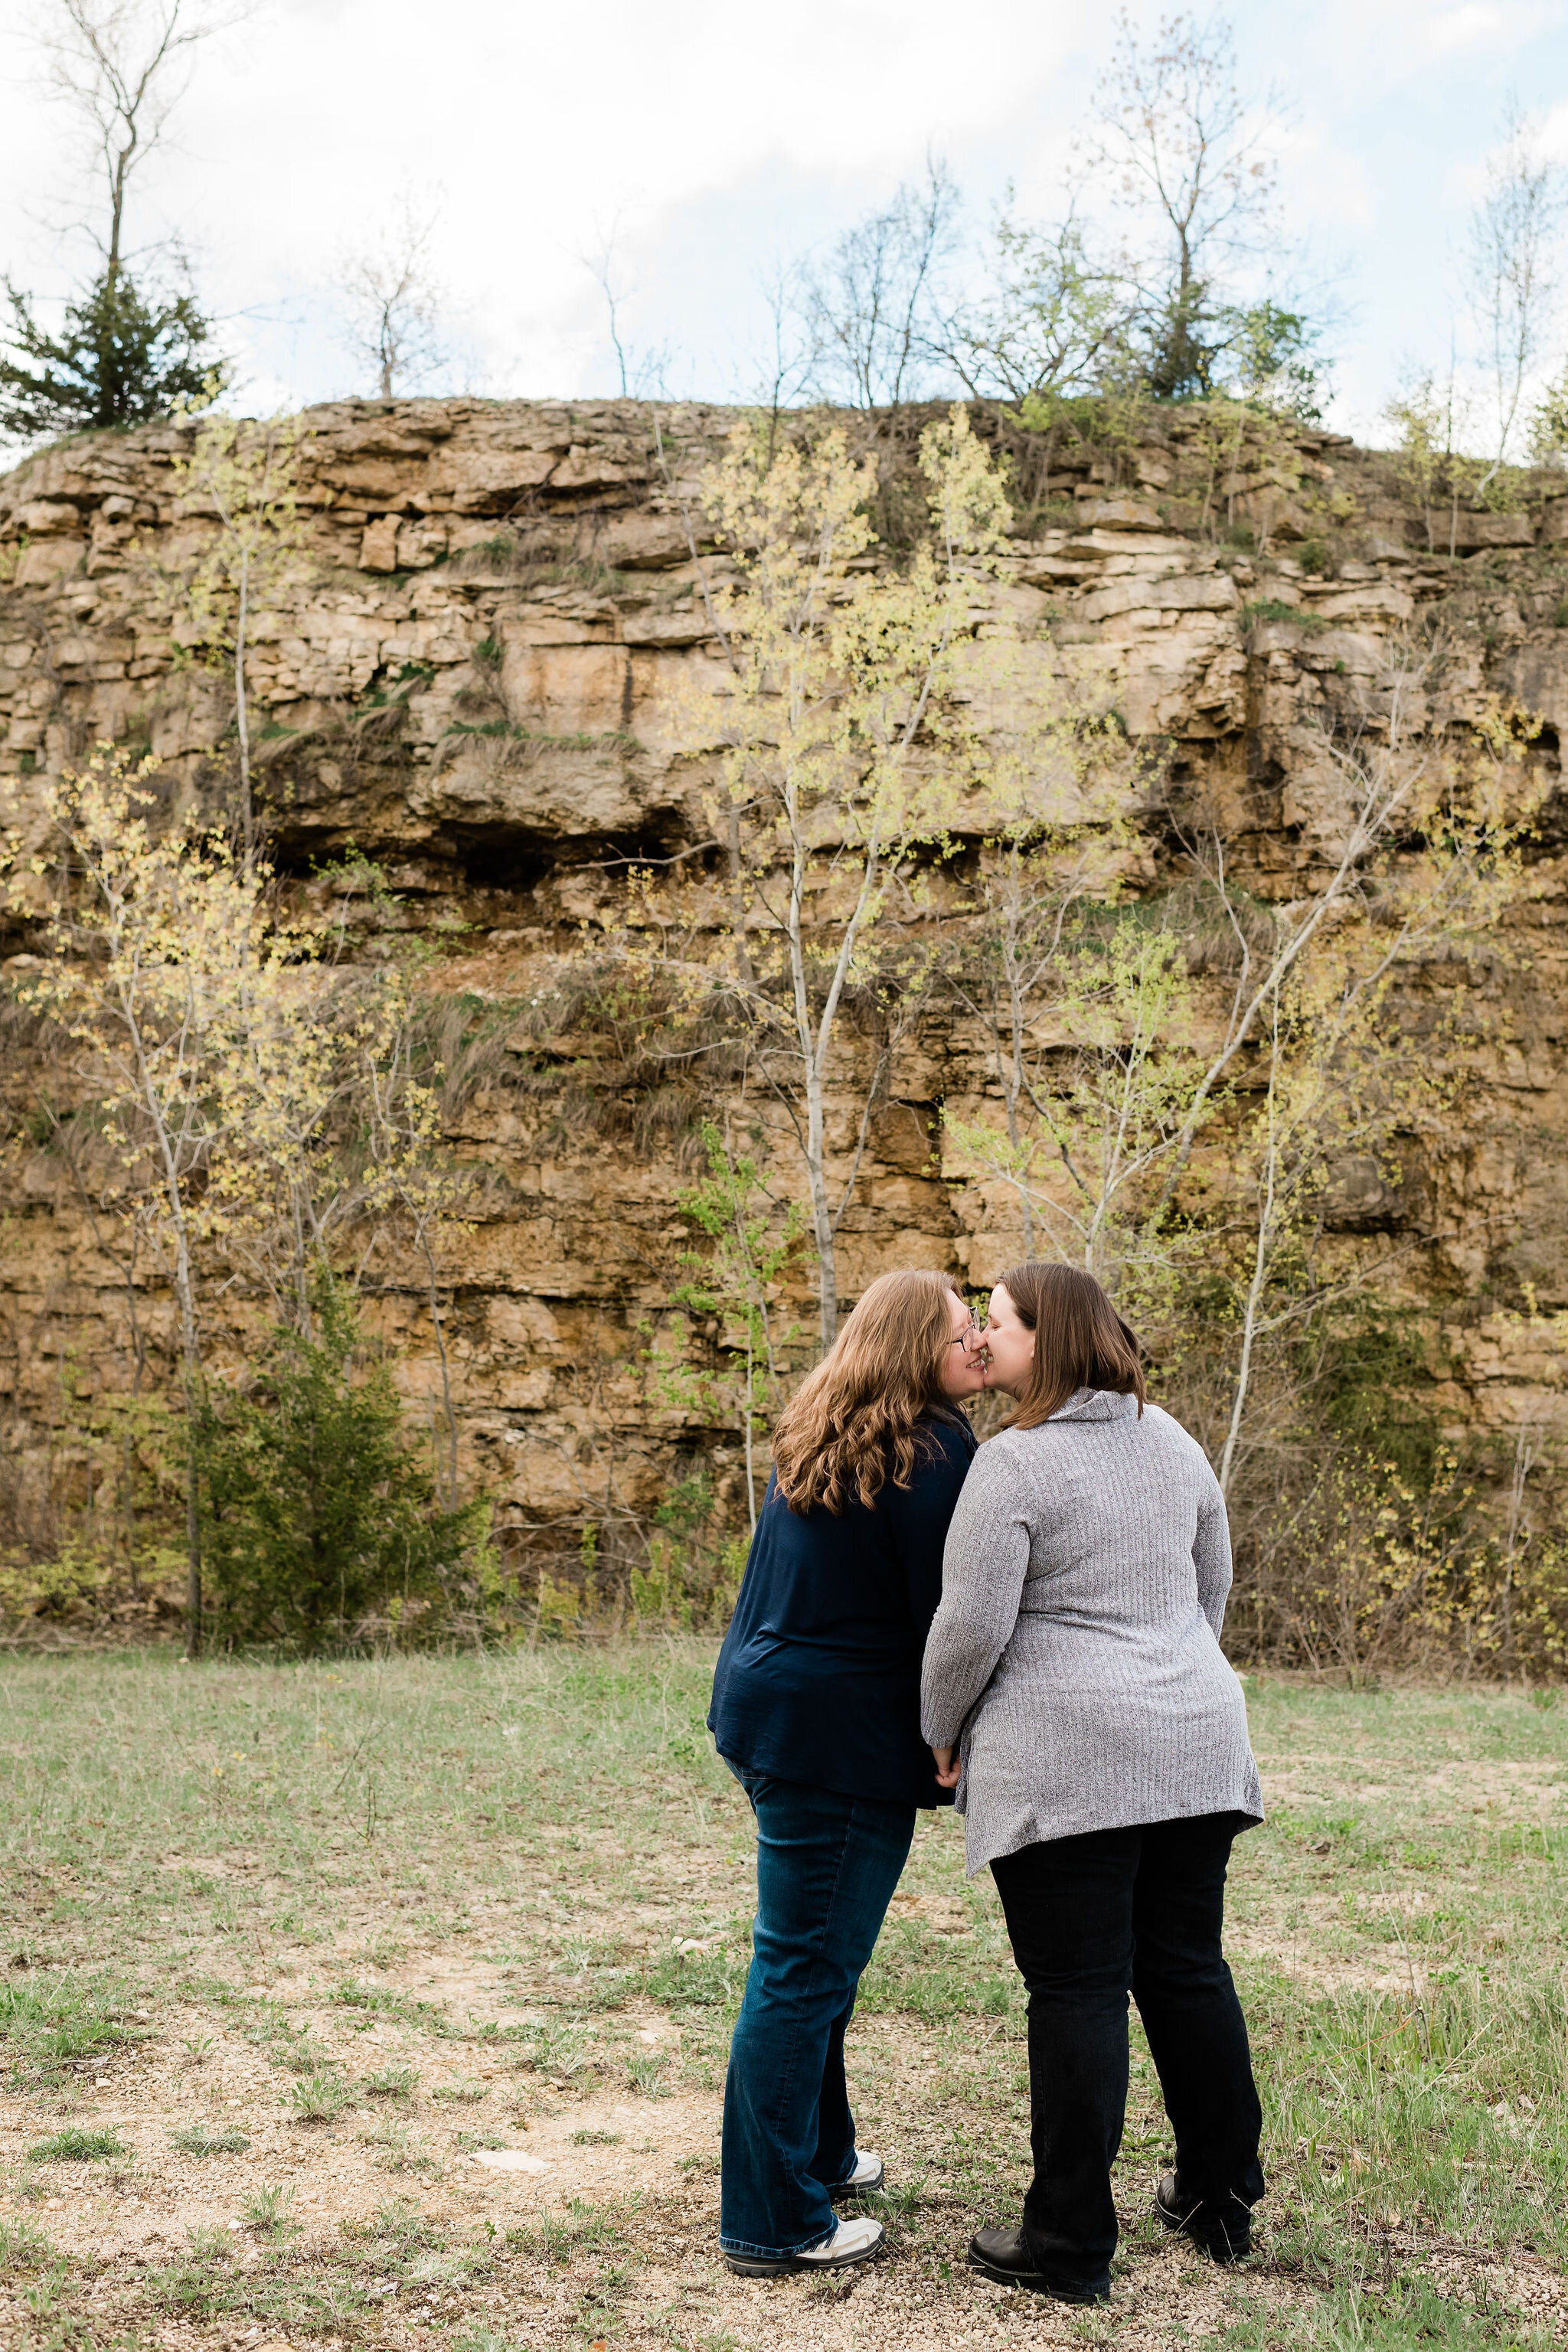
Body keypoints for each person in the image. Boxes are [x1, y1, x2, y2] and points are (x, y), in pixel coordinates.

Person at [920, 1261, 1265, 2306]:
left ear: (1048, 1343)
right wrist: (1163, 1678)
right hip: (1196, 1741)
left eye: (1000, 1327)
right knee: (1185, 1968)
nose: (986, 1344)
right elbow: (1215, 1582)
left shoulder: (1013, 1463)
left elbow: (972, 1624)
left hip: (1070, 1755)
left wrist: (940, 1729)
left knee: (1075, 1989)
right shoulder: (1173, 1441)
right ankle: (1218, 2199)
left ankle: (1069, 2243)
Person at [708, 1270, 987, 2277]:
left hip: (765, 1715)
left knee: (818, 1955)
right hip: (833, 1744)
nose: (981, 1349)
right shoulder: (936, 1450)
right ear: (919, 1347)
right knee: (803, 1969)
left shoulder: (829, 1422)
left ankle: (818, 2154)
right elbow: (945, 1621)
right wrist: (949, 1732)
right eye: (965, 1335)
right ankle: (773, 2221)